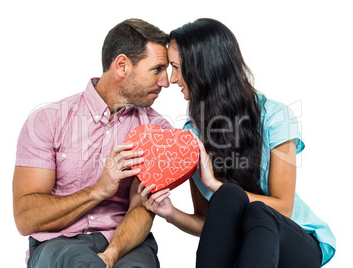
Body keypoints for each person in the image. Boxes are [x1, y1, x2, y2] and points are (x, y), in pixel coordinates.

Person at [138, 18, 336, 267]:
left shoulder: (276, 117)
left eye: (177, 67)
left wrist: (214, 184)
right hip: (247, 251)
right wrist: (171, 213)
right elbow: (210, 224)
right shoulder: (192, 138)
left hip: (293, 241)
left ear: (204, 68)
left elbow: (284, 207)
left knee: (253, 208)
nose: (173, 79)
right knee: (230, 197)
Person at [13, 18, 172, 268]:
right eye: (157, 69)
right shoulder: (48, 120)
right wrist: (99, 189)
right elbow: (25, 219)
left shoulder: (158, 131)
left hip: (126, 241)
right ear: (121, 65)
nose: (166, 81)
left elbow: (142, 208)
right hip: (59, 241)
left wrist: (112, 254)